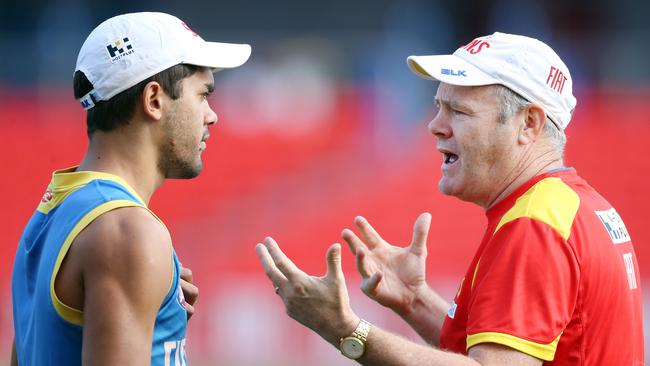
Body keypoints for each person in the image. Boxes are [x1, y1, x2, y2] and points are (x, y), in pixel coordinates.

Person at [256, 32, 644, 365]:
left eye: (458, 111)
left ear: (528, 123)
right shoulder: (575, 205)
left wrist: (345, 330)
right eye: (438, 106)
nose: (435, 126)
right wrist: (414, 301)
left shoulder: (534, 224)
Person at [11, 12, 251, 366]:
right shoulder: (128, 232)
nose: (211, 115)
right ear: (154, 99)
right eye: (202, 94)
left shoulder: (51, 214)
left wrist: (155, 312)